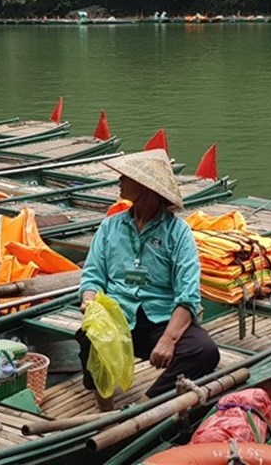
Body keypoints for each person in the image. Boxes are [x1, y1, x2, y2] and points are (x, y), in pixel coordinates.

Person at [76, 149, 219, 410]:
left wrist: (168, 340)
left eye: (125, 177)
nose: (119, 181)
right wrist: (89, 300)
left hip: (160, 320)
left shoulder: (178, 233)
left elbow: (187, 295)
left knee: (204, 351)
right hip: (118, 317)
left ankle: (143, 405)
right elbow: (93, 275)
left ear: (145, 187)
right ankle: (105, 411)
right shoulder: (111, 226)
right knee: (90, 335)